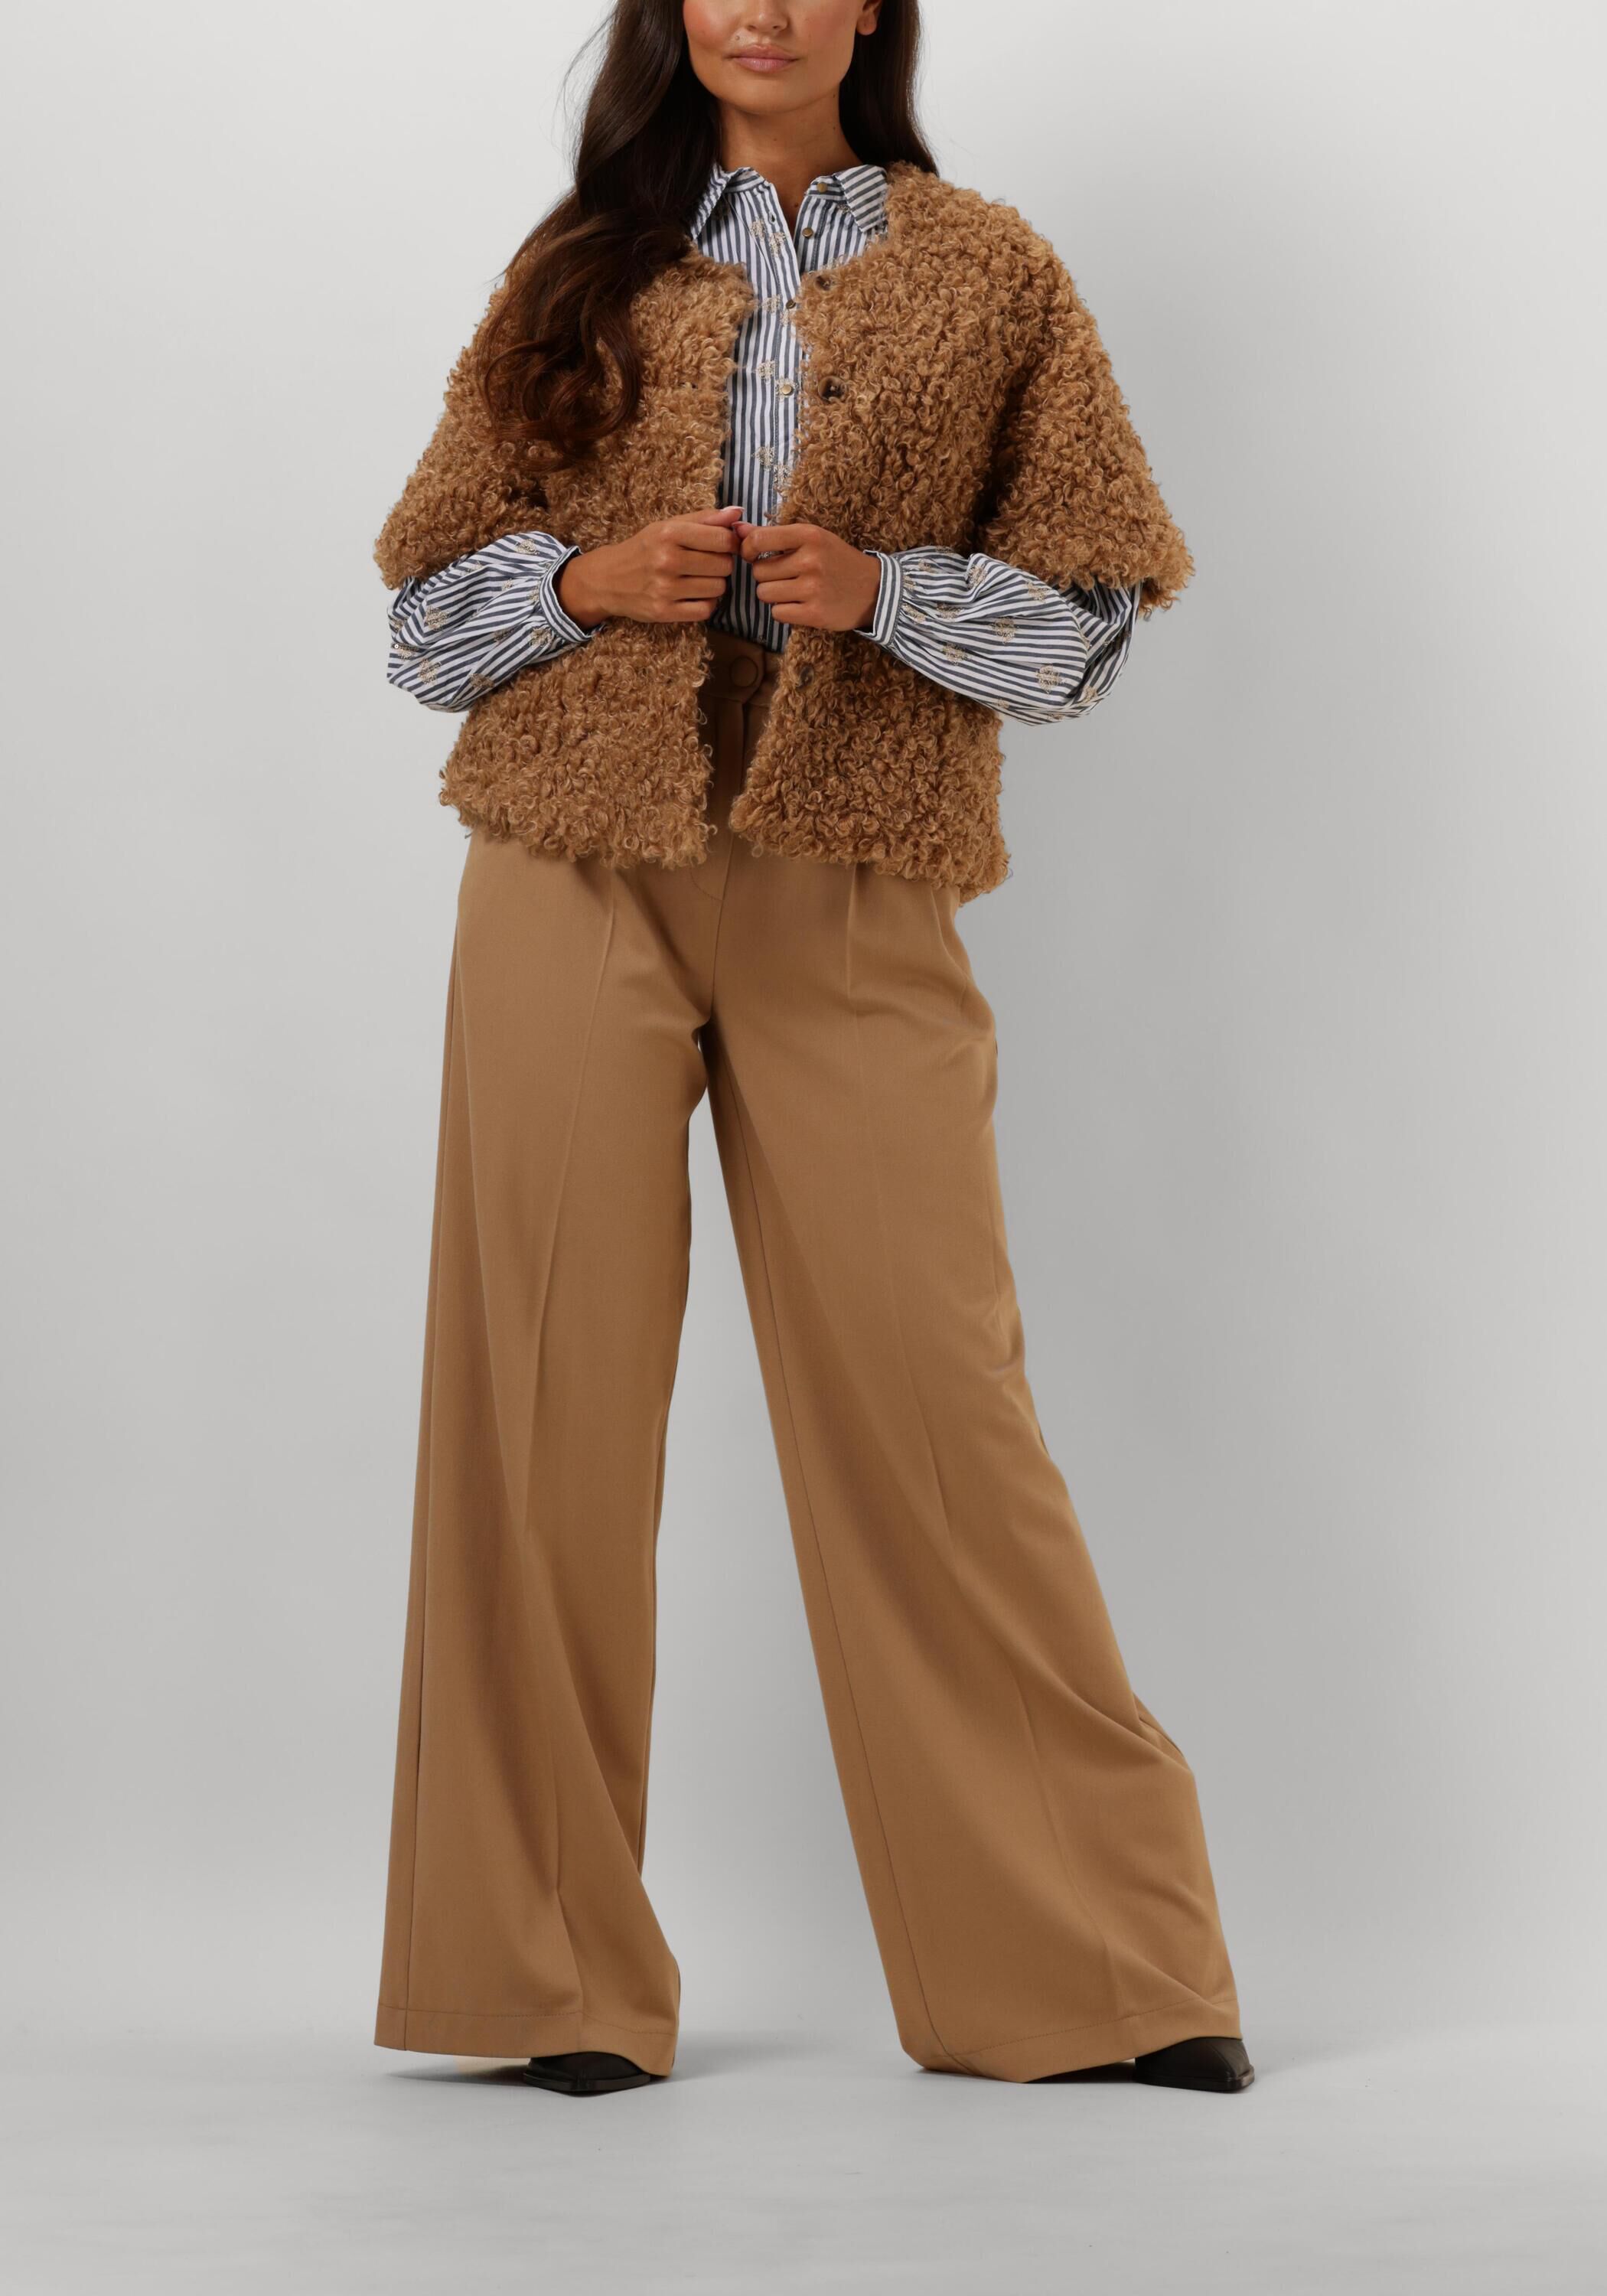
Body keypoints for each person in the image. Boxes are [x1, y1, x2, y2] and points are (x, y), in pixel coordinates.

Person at [371, 0, 1253, 2100]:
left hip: (856, 876)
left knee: (936, 1406)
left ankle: (1094, 1974)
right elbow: (420, 616)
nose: (754, 7)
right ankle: (541, 1981)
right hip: (571, 865)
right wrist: (588, 580)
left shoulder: (988, 271)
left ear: (872, 6)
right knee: (539, 1404)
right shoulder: (577, 261)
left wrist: (887, 594)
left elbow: (1088, 623)